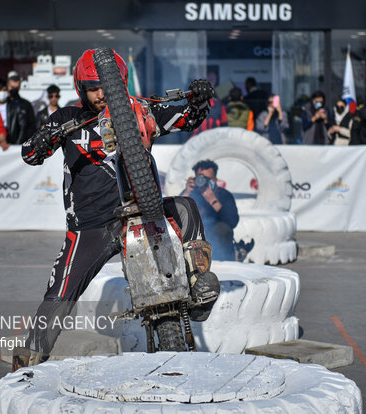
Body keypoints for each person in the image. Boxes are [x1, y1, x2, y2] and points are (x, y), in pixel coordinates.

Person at [14, 49, 218, 369]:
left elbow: (187, 119)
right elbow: (28, 155)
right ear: (81, 88)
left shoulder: (140, 109)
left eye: (106, 86)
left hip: (142, 211)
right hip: (91, 225)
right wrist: (42, 139)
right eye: (93, 88)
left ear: (120, 82)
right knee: (59, 295)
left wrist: (200, 99)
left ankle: (200, 282)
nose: (101, 94)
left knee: (186, 207)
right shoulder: (67, 118)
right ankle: (26, 362)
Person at [182, 160, 239, 261]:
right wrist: (186, 193)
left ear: (215, 179)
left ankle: (224, 262)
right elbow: (175, 215)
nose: (205, 182)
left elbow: (232, 222)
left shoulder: (224, 195)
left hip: (217, 240)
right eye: (201, 178)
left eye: (209, 179)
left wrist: (213, 200)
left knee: (223, 228)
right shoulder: (190, 192)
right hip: (193, 237)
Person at [6, 70, 36, 143]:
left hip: (20, 145)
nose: (14, 90)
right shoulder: (3, 103)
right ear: (7, 86)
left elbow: (31, 126)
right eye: (12, 87)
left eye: (16, 88)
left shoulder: (26, 105)